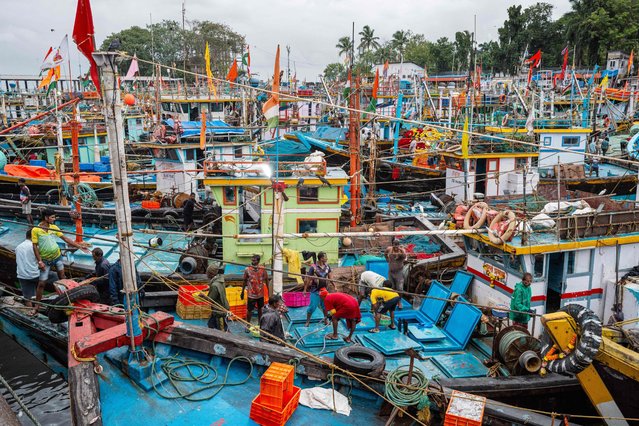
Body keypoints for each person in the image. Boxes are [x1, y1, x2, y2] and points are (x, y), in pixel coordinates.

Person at [32, 209, 90, 303]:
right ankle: (37, 306)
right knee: (41, 284)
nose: (54, 219)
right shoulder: (36, 230)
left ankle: (68, 299)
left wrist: (79, 246)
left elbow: (65, 238)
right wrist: (40, 261)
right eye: (52, 217)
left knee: (63, 277)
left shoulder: (53, 227)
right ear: (46, 218)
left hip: (57, 257)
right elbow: (34, 246)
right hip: (45, 260)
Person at [304, 251, 332, 327]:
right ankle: (307, 321)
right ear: (321, 258)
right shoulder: (313, 267)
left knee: (325, 306)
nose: (326, 259)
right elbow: (308, 279)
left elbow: (330, 278)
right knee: (312, 306)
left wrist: (334, 286)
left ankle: (325, 320)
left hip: (324, 290)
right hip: (315, 290)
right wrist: (305, 289)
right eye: (324, 257)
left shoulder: (327, 266)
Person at [16, 229, 40, 315]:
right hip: (35, 275)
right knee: (54, 277)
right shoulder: (35, 247)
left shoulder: (18, 247)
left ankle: (31, 312)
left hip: (22, 276)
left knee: (27, 297)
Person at [241, 254, 269, 326]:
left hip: (260, 294)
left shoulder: (262, 269)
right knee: (249, 310)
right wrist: (242, 292)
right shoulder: (247, 270)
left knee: (260, 309)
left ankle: (260, 323)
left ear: (258, 261)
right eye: (252, 260)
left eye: (254, 261)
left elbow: (266, 280)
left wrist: (269, 291)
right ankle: (248, 324)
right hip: (251, 294)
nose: (252, 262)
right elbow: (244, 281)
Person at [206, 263, 229, 331]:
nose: (206, 274)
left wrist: (201, 296)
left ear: (211, 274)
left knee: (222, 330)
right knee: (210, 325)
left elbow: (209, 300)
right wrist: (208, 288)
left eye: (207, 273)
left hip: (220, 312)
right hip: (219, 309)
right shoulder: (220, 279)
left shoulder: (214, 286)